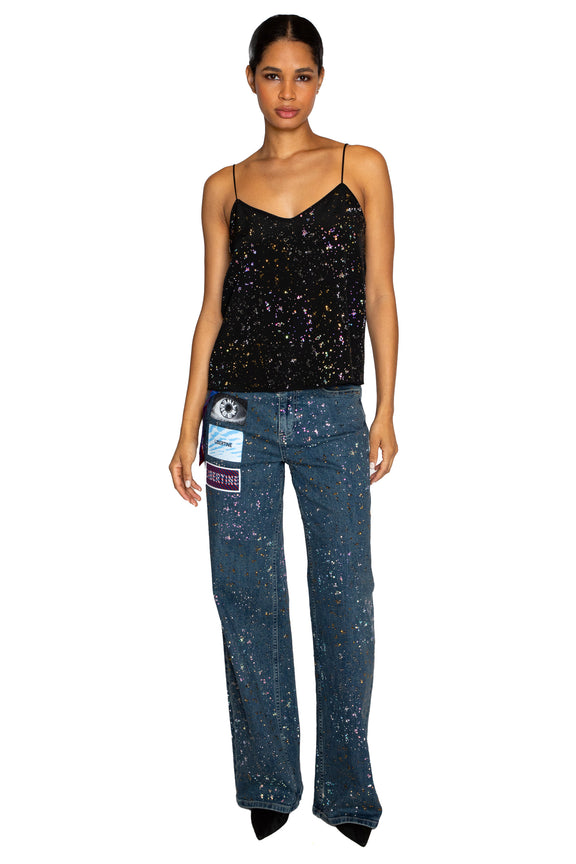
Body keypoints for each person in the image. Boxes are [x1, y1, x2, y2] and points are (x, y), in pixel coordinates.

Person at [169, 14, 398, 847]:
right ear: (250, 79)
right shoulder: (223, 186)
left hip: (335, 414)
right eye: (273, 75)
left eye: (303, 75)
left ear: (321, 80)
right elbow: (211, 311)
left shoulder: (360, 167)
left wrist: (386, 406)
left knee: (345, 599)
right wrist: (185, 424)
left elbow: (379, 294)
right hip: (238, 416)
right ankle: (268, 782)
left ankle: (347, 791)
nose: (288, 92)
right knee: (246, 597)